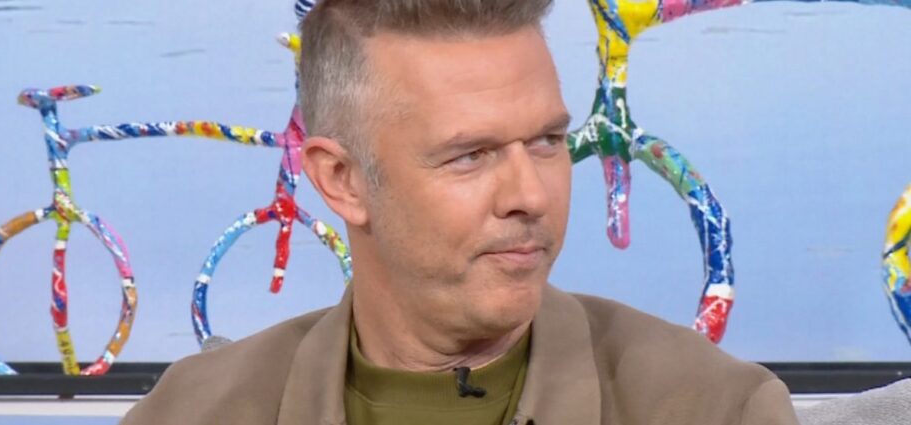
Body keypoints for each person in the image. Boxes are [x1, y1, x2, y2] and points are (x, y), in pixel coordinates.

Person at [120, 1, 799, 424]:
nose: (531, 195)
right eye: (470, 155)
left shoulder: (715, 408)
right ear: (342, 180)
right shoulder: (190, 412)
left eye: (547, 141)